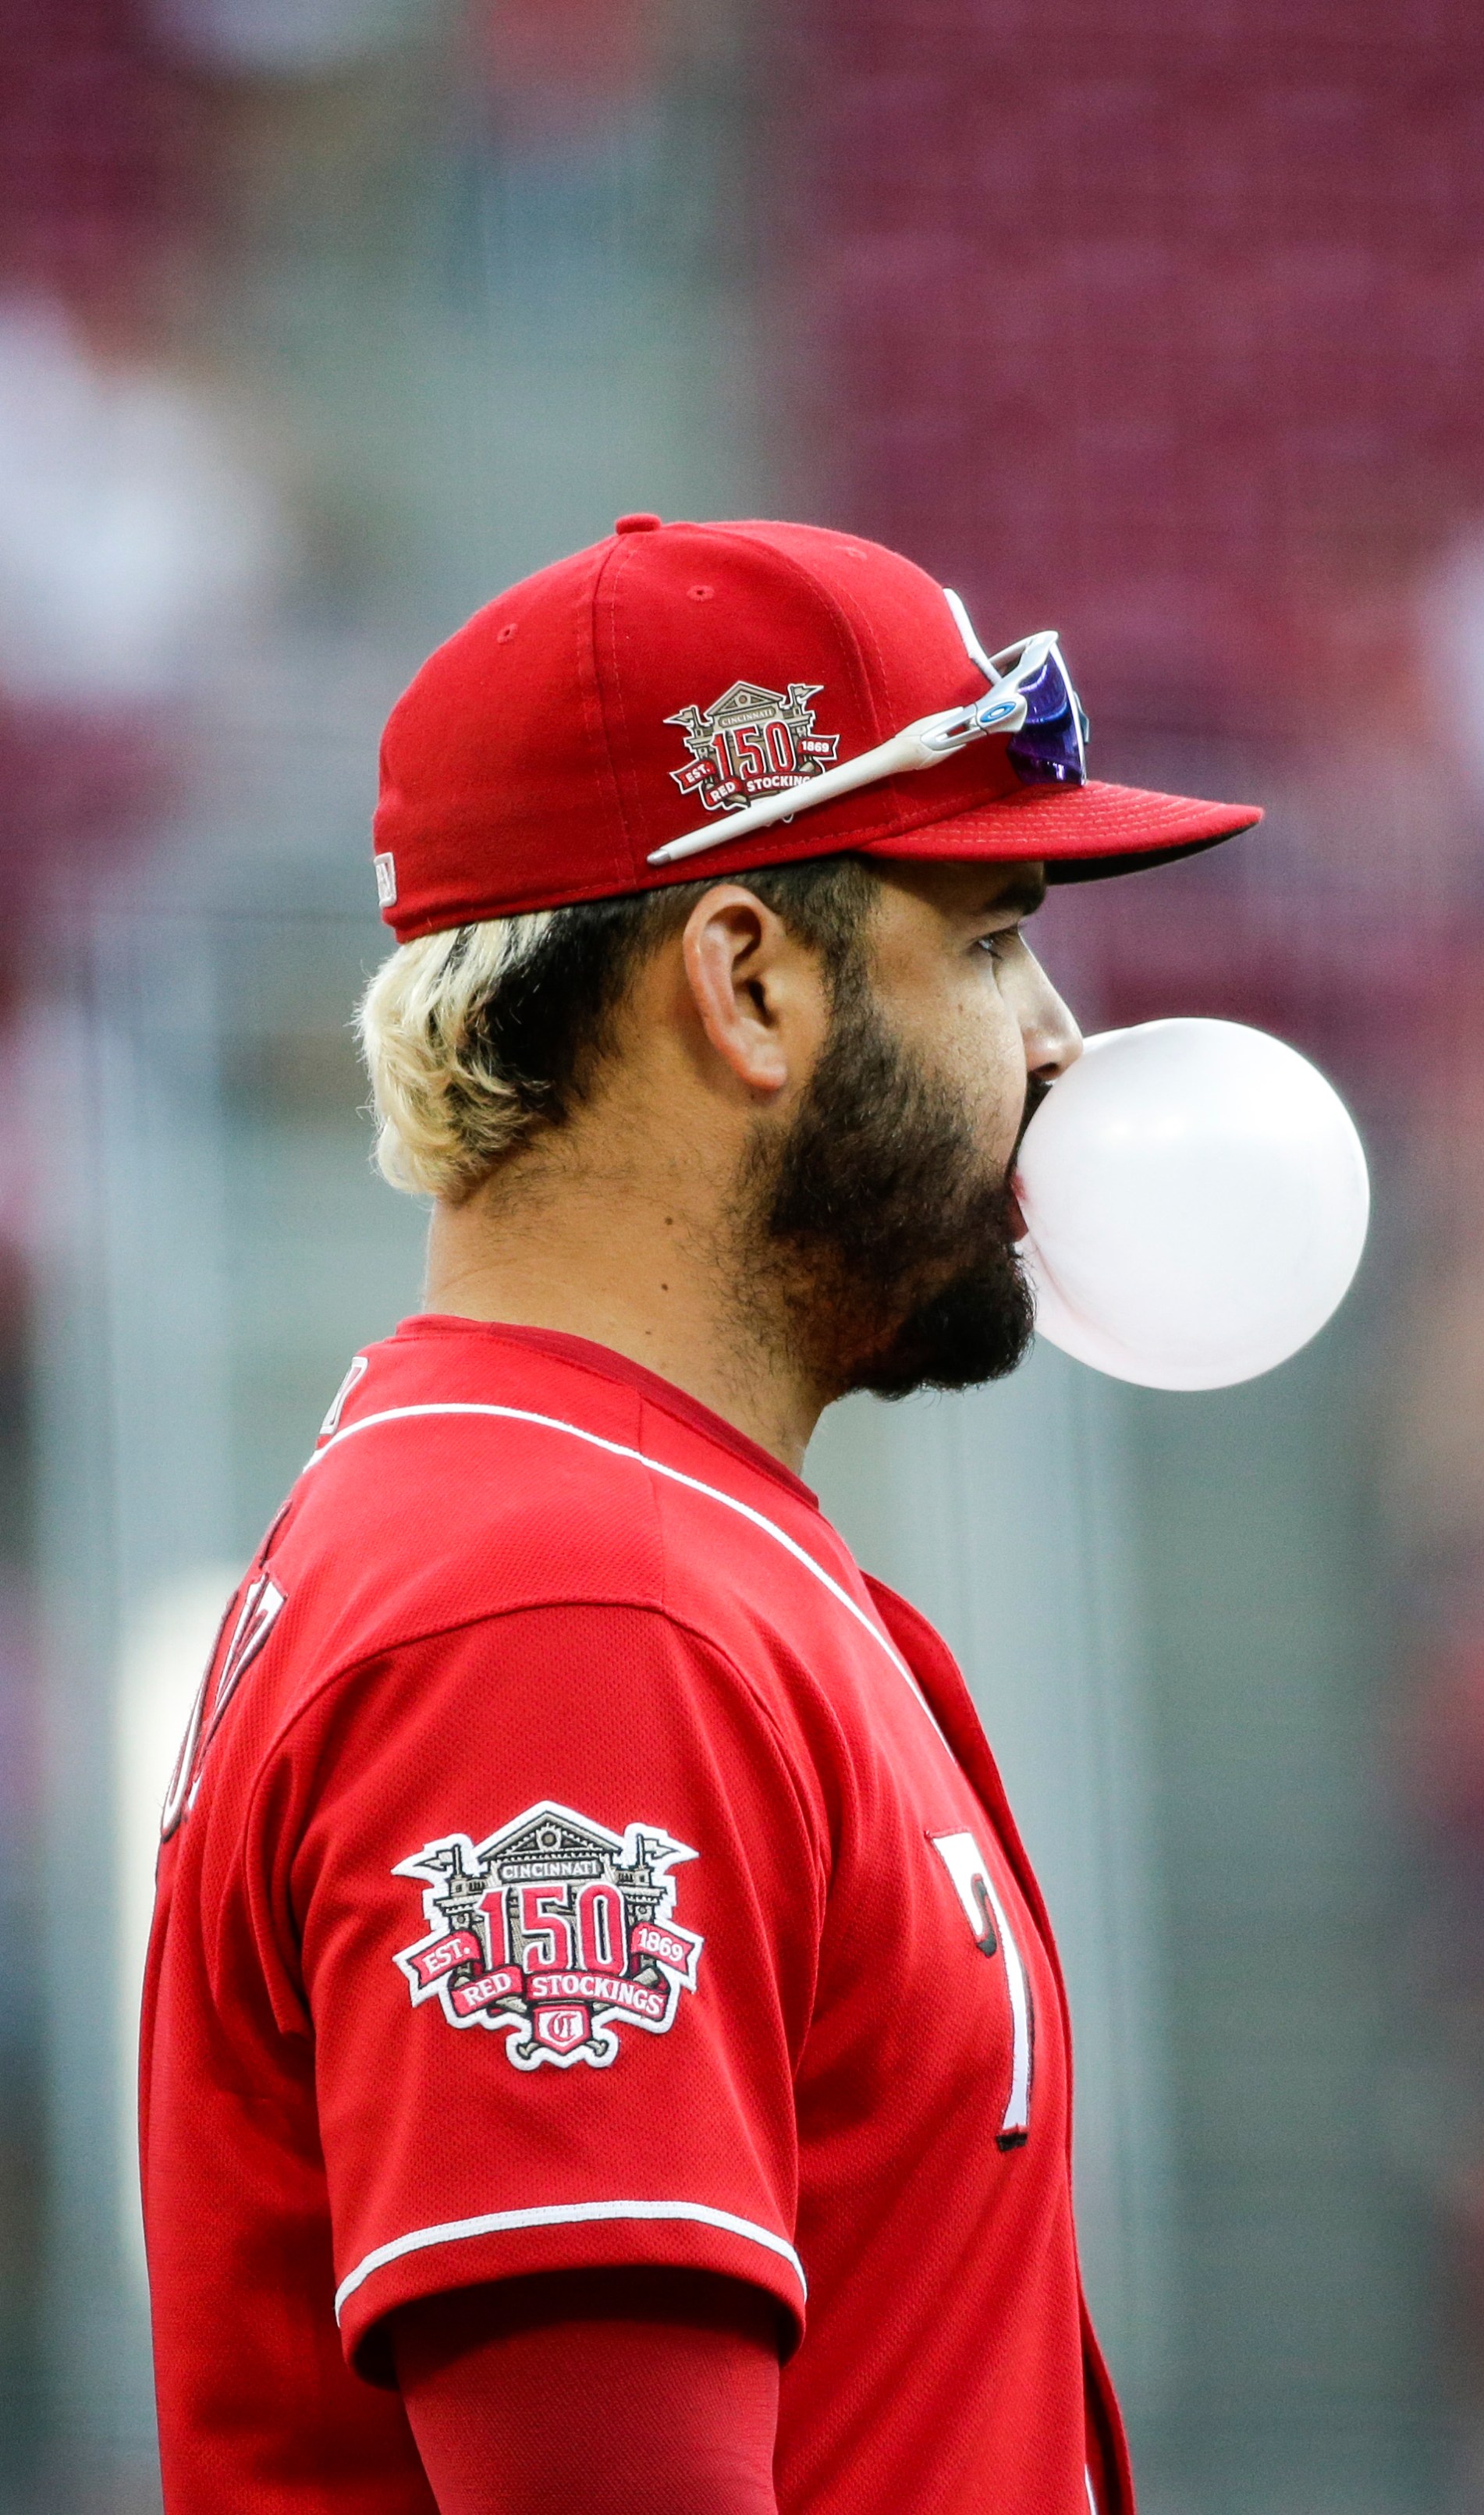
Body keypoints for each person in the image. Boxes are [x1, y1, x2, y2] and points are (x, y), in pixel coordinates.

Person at [140, 515, 1261, 2514]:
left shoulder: (606, 1539)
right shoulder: (567, 1614)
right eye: (994, 938)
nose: (1061, 1044)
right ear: (747, 982)